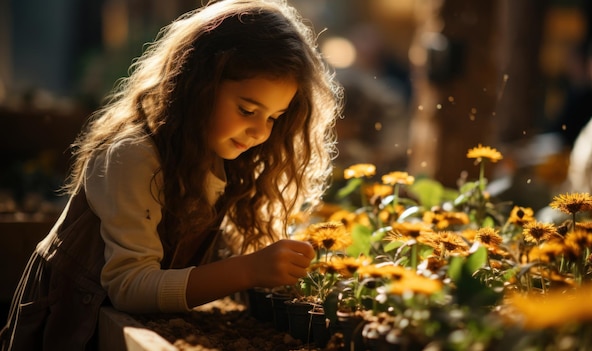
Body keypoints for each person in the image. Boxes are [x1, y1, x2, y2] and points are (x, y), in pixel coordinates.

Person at [0, 0, 342, 349]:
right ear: (198, 84)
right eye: (247, 109)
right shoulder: (134, 156)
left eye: (274, 117)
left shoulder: (221, 160)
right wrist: (249, 269)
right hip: (71, 330)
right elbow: (129, 286)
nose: (260, 132)